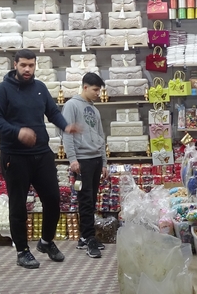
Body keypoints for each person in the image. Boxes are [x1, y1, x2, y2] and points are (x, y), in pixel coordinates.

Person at [0, 49, 80, 269]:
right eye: (23, 65)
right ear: (15, 65)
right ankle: (22, 251)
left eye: (31, 65)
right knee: (18, 206)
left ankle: (46, 242)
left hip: (42, 154)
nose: (27, 69)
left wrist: (65, 126)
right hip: (15, 156)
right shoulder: (3, 90)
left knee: (53, 199)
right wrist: (17, 132)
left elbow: (53, 112)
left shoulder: (40, 87)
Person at [61, 73, 107, 259]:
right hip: (82, 160)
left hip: (96, 159)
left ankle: (84, 237)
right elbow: (67, 134)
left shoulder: (94, 109)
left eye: (99, 90)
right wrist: (72, 159)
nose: (98, 93)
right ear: (85, 87)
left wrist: (104, 162)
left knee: (92, 199)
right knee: (85, 200)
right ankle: (89, 238)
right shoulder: (71, 105)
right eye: (95, 90)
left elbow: (101, 135)